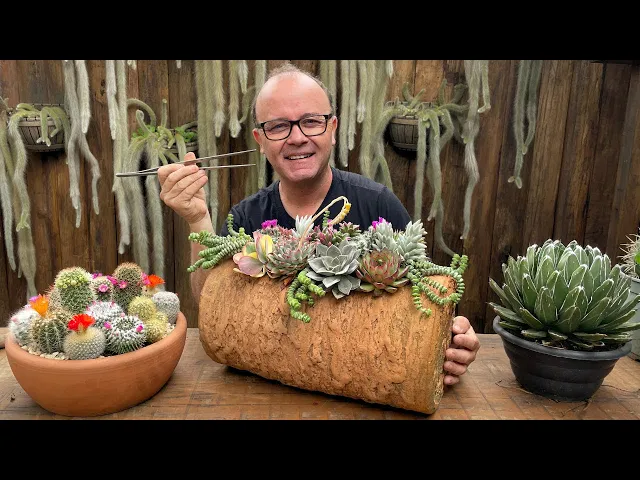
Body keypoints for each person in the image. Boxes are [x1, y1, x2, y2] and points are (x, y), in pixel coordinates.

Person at [158, 62, 479, 386]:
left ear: (333, 129)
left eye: (311, 121)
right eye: (278, 126)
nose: (297, 138)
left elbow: (426, 300)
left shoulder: (378, 206)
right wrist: (197, 219)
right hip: (263, 385)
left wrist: (454, 338)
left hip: (363, 385)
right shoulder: (245, 218)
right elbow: (212, 301)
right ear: (260, 140)